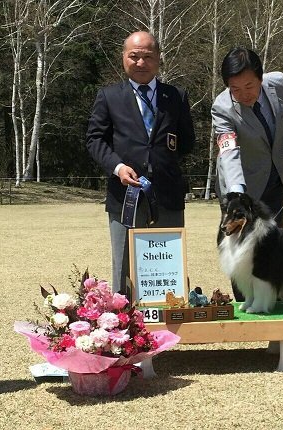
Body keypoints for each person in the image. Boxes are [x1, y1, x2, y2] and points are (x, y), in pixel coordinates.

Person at [86, 31, 195, 293]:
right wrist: (118, 167)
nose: (140, 62)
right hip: (125, 196)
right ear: (124, 58)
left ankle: (167, 329)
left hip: (168, 196)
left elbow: (187, 142)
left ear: (158, 59)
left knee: (167, 267)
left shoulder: (176, 96)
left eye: (147, 56)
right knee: (123, 268)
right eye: (134, 56)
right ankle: (123, 327)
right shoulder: (109, 96)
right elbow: (94, 140)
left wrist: (161, 163)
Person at [212, 47, 283, 301]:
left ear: (261, 78)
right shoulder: (222, 107)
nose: (243, 94)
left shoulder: (278, 84)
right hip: (242, 186)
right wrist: (237, 195)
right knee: (241, 249)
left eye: (249, 86)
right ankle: (247, 305)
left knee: (274, 244)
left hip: (275, 179)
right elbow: (229, 152)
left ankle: (276, 302)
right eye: (235, 89)